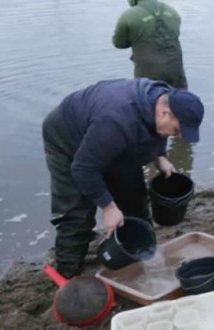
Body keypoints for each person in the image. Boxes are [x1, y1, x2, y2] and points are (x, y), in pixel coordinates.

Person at [42, 79, 204, 278]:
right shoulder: (116, 120)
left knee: (134, 200)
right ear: (164, 113)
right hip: (67, 139)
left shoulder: (167, 98)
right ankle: (67, 275)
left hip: (109, 138)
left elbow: (156, 131)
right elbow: (83, 168)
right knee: (78, 215)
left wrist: (160, 156)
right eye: (178, 130)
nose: (178, 136)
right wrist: (108, 207)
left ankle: (141, 258)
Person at [112, 0, 188, 89]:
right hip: (176, 72)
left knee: (151, 104)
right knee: (179, 103)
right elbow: (173, 34)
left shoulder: (128, 16)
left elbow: (118, 43)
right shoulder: (173, 12)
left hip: (148, 78)